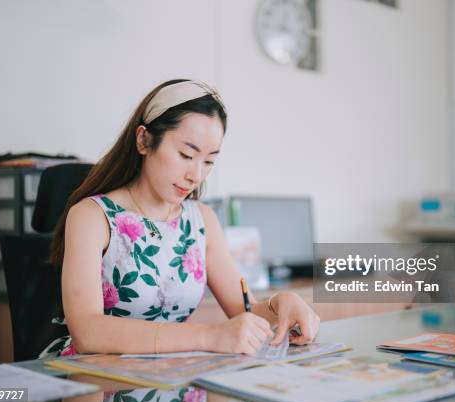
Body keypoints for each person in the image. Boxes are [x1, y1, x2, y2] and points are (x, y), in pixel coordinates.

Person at [40, 79, 320, 357]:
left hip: (173, 382)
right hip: (98, 382)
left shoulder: (201, 220)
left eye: (209, 161)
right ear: (143, 140)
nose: (196, 176)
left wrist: (281, 304)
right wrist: (209, 335)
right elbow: (89, 333)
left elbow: (246, 310)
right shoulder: (92, 217)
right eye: (187, 154)